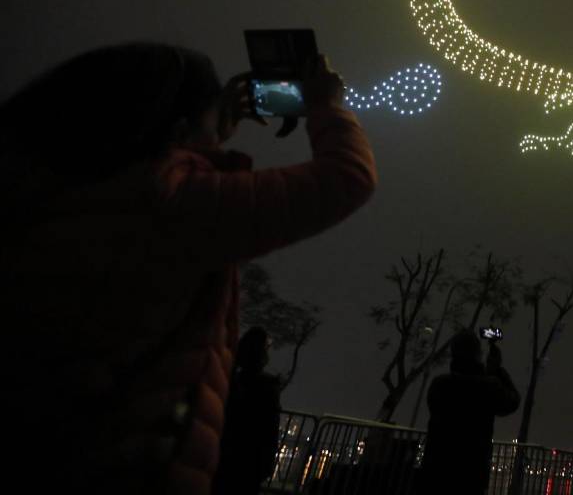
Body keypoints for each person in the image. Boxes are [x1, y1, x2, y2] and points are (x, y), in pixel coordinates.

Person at [0, 42, 376, 495]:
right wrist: (324, 104)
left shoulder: (44, 197)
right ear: (178, 127)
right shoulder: (170, 203)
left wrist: (209, 130)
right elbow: (347, 177)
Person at [418, 330, 520, 494]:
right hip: (471, 475)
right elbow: (512, 402)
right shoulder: (488, 387)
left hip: (436, 470)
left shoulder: (439, 385)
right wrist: (496, 371)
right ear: (478, 355)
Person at [212, 328, 282, 495]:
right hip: (250, 461)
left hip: (223, 457)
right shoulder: (267, 388)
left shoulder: (227, 381)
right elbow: (269, 430)